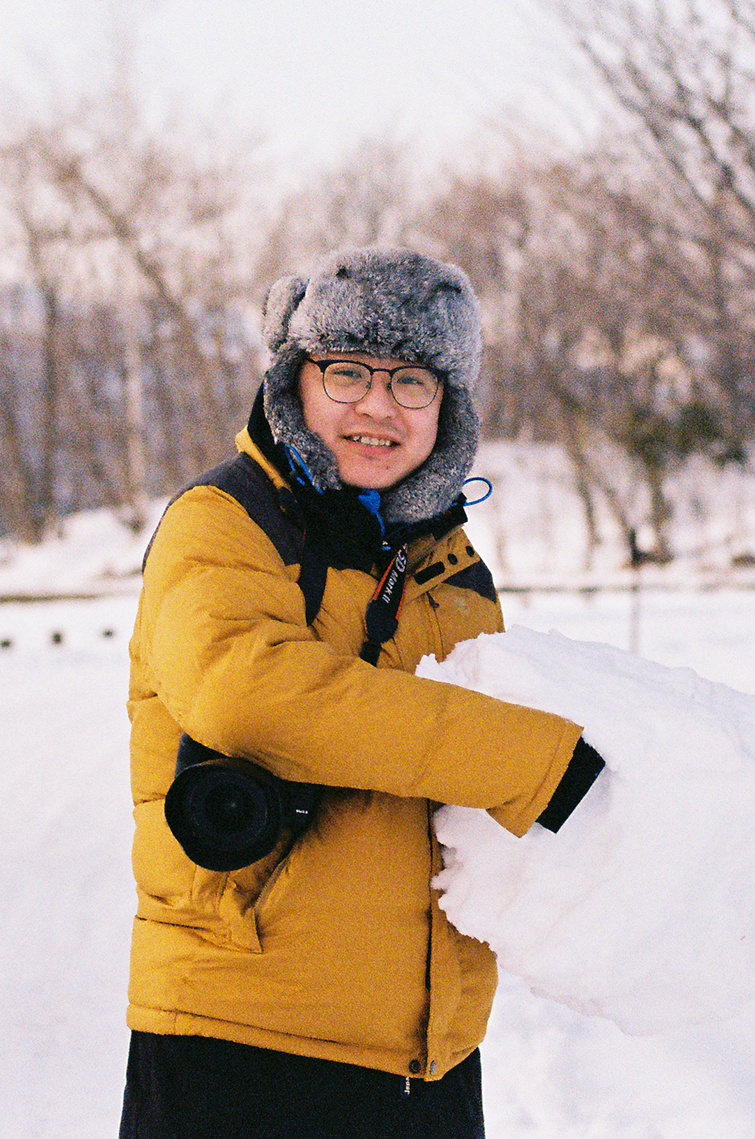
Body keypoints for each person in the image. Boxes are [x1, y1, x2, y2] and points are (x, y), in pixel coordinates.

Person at [120, 246, 605, 1139]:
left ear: (447, 408)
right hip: (245, 1035)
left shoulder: (452, 573)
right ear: (294, 380)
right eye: (348, 372)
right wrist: (530, 760)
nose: (378, 406)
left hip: (430, 1054)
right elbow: (251, 692)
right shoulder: (225, 523)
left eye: (413, 381)